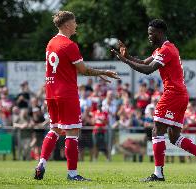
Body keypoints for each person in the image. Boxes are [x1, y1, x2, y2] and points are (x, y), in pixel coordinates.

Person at [111, 19, 196, 182]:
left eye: (151, 33)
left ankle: (158, 174)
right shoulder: (162, 50)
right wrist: (128, 56)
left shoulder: (167, 50)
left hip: (173, 94)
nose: (149, 36)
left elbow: (147, 70)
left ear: (160, 33)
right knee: (174, 137)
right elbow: (144, 62)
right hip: (180, 94)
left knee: (157, 131)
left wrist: (124, 61)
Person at [34, 10, 120, 181]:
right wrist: (103, 72)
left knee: (55, 129)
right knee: (72, 132)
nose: (76, 25)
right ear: (67, 24)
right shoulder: (69, 45)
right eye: (74, 22)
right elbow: (84, 70)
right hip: (66, 93)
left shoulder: (51, 42)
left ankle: (41, 164)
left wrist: (96, 74)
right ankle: (72, 174)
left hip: (51, 92)